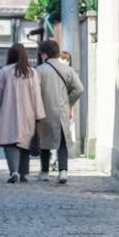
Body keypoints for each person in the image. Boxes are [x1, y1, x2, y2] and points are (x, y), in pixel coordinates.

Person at [0, 43, 45, 183]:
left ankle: (14, 171)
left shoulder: (5, 71)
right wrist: (39, 114)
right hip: (28, 113)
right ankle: (23, 174)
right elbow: (36, 95)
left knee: (10, 143)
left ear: (10, 55)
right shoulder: (31, 72)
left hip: (8, 112)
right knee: (25, 142)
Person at [35, 39, 83, 184]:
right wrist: (68, 102)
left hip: (45, 110)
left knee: (44, 142)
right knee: (62, 143)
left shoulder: (40, 70)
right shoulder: (67, 69)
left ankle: (44, 172)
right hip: (62, 111)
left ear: (44, 54)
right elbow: (79, 88)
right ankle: (63, 171)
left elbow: (34, 92)